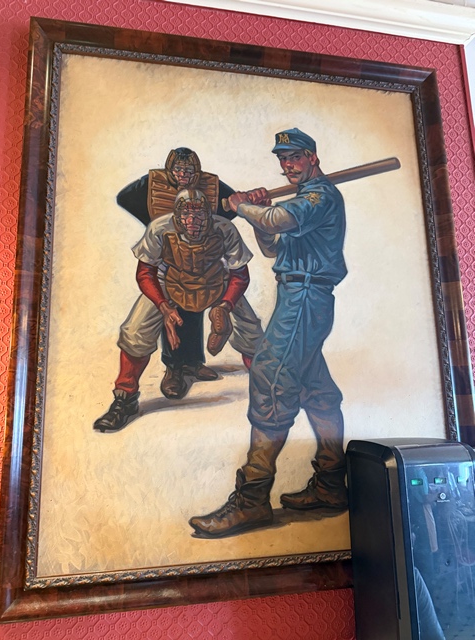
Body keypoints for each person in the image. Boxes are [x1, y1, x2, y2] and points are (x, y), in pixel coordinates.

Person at [189, 128, 347, 538]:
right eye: (283, 159)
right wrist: (259, 213)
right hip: (298, 295)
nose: (288, 165)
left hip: (306, 296)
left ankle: (253, 500)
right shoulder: (303, 198)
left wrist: (243, 206)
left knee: (269, 379)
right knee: (316, 390)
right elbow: (273, 244)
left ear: (312, 157)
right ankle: (331, 485)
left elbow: (280, 220)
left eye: (295, 156)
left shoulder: (320, 196)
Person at [94, 188, 262, 433]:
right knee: (134, 331)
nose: (193, 220)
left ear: (208, 214)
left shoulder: (224, 229)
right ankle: (125, 399)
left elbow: (239, 274)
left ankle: (267, 387)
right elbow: (145, 273)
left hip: (215, 280)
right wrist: (162, 305)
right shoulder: (159, 229)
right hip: (170, 282)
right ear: (176, 215)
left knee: (251, 332)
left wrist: (226, 305)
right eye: (186, 214)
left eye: (199, 214)